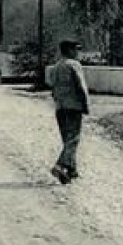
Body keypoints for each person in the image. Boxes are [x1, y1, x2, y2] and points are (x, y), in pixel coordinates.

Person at [48, 39, 90, 185]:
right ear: (70, 51)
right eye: (76, 49)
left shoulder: (56, 67)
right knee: (73, 139)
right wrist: (86, 105)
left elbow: (52, 89)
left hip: (60, 107)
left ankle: (72, 169)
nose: (77, 52)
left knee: (67, 139)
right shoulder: (74, 65)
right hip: (73, 107)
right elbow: (81, 86)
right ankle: (60, 166)